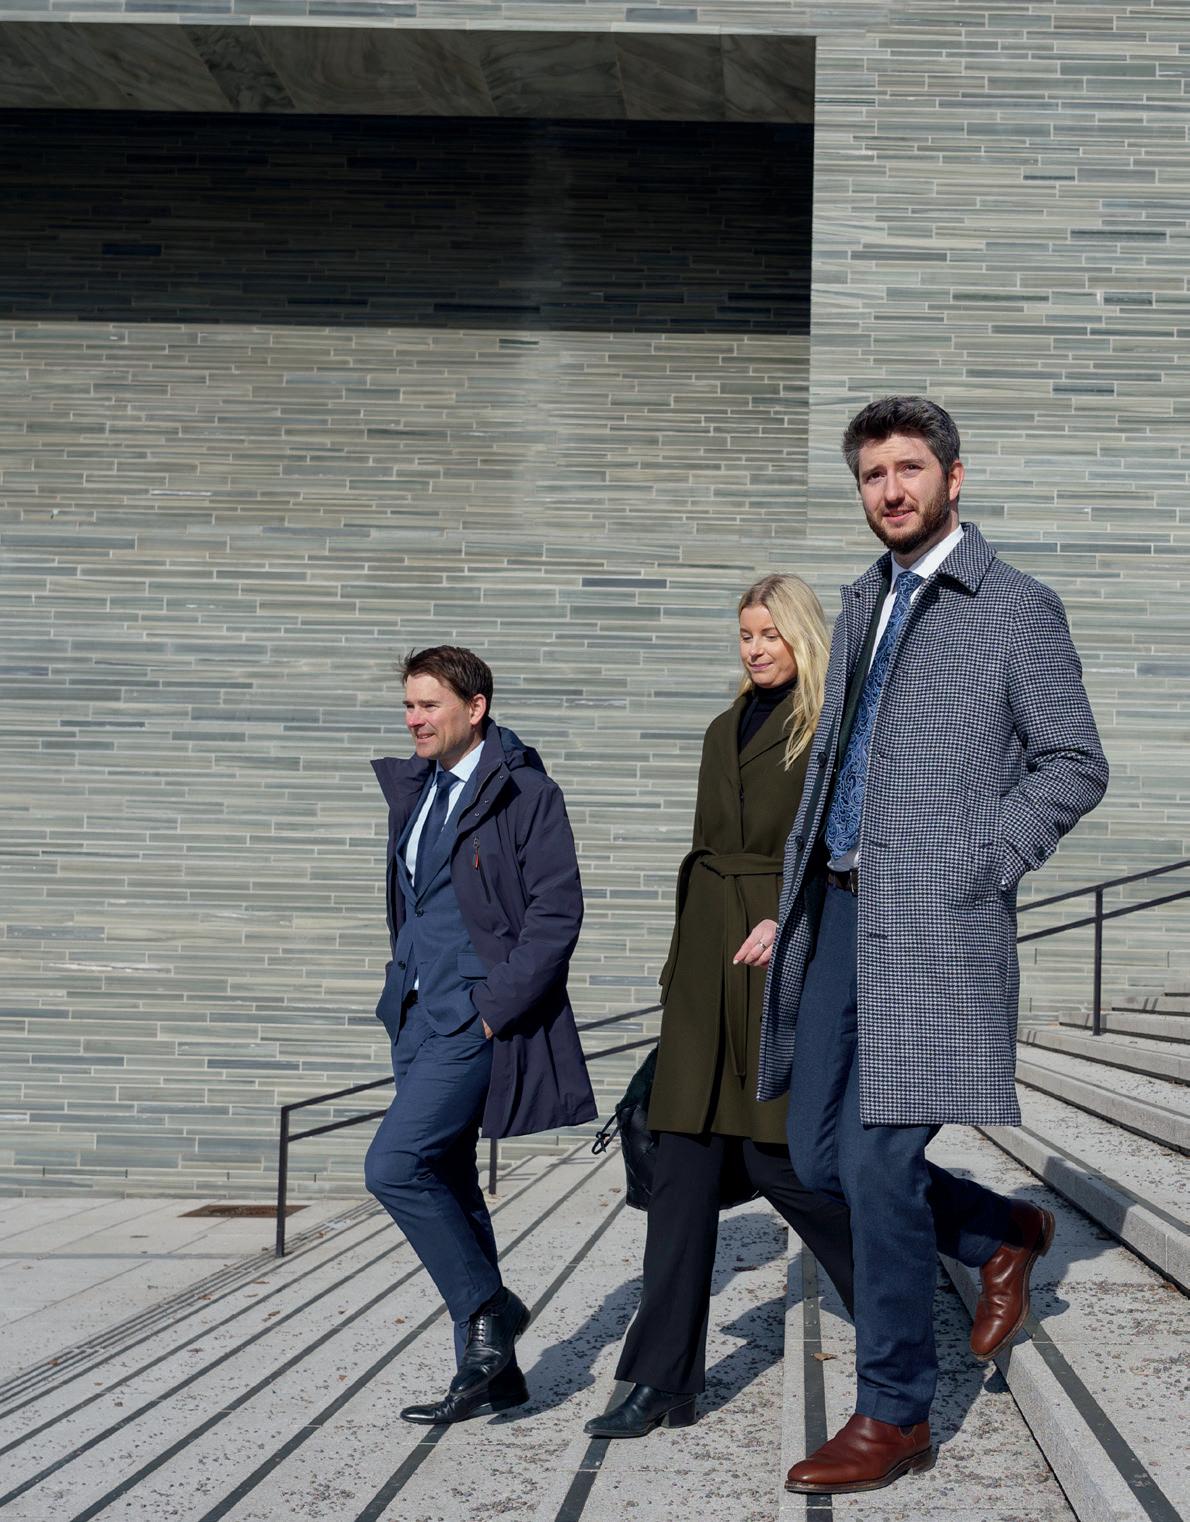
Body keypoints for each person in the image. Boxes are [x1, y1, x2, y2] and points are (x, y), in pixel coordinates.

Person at [743, 397, 1108, 1495]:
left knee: (874, 1161)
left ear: (954, 476)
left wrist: (979, 862)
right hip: (837, 910)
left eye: (909, 469)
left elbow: (1072, 763)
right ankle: (1000, 1233)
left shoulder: (1015, 608)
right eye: (872, 475)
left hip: (936, 924)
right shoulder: (863, 600)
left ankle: (893, 1410)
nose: (890, 490)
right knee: (812, 1157)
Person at [584, 577, 856, 1441]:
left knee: (783, 1162)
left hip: (780, 957)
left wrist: (794, 920)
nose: (755, 648)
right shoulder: (720, 727)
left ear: (802, 635)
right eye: (745, 634)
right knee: (681, 1168)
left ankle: (897, 1296)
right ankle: (657, 1378)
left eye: (770, 633)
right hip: (708, 962)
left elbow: (841, 850)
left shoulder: (831, 728)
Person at [365, 645, 596, 1424]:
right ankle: (495, 1374)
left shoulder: (526, 793)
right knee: (449, 1178)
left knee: (394, 1166)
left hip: (471, 1015)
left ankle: (491, 1309)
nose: (414, 719)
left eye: (428, 705)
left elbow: (556, 914)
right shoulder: (419, 787)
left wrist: (492, 1008)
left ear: (475, 707)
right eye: (408, 705)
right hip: (415, 1014)